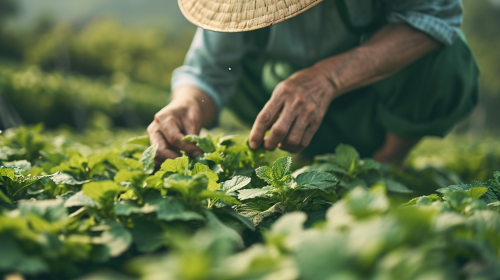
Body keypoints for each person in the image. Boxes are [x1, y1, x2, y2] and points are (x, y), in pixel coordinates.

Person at [148, 0, 479, 166]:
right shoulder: (241, 11)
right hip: (298, 110)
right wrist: (186, 103)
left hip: (377, 107)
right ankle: (306, 155)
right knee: (235, 66)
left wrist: (329, 76)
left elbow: (436, 15)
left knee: (445, 54)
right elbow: (207, 72)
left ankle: (387, 163)